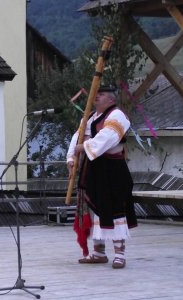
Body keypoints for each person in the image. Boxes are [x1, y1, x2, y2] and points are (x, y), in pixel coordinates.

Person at [66, 84, 137, 269]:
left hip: (113, 170)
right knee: (94, 208)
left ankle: (120, 254)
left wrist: (85, 146)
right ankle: (98, 252)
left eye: (101, 94)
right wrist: (71, 157)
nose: (96, 96)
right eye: (96, 94)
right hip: (94, 169)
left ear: (111, 99)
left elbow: (108, 137)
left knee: (114, 208)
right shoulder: (89, 117)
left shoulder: (117, 115)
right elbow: (77, 137)